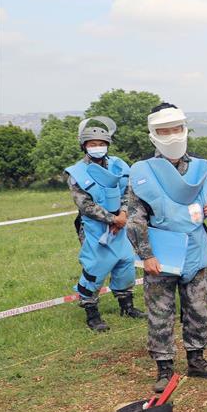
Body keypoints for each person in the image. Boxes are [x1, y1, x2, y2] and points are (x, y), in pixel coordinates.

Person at [127, 103, 207, 392]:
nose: (171, 136)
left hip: (195, 247)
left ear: (184, 129)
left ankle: (197, 358)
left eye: (176, 129)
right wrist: (147, 255)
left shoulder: (201, 168)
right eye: (164, 131)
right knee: (160, 311)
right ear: (154, 134)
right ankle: (164, 367)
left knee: (197, 308)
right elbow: (135, 218)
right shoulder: (143, 172)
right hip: (162, 252)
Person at [65, 116, 145, 331]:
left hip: (121, 223)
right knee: (95, 268)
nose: (97, 147)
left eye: (101, 144)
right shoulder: (76, 173)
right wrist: (113, 219)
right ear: (84, 146)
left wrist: (124, 213)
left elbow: (128, 191)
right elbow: (85, 205)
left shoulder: (119, 165)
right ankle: (92, 312)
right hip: (94, 227)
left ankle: (126, 306)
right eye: (93, 144)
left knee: (125, 263)